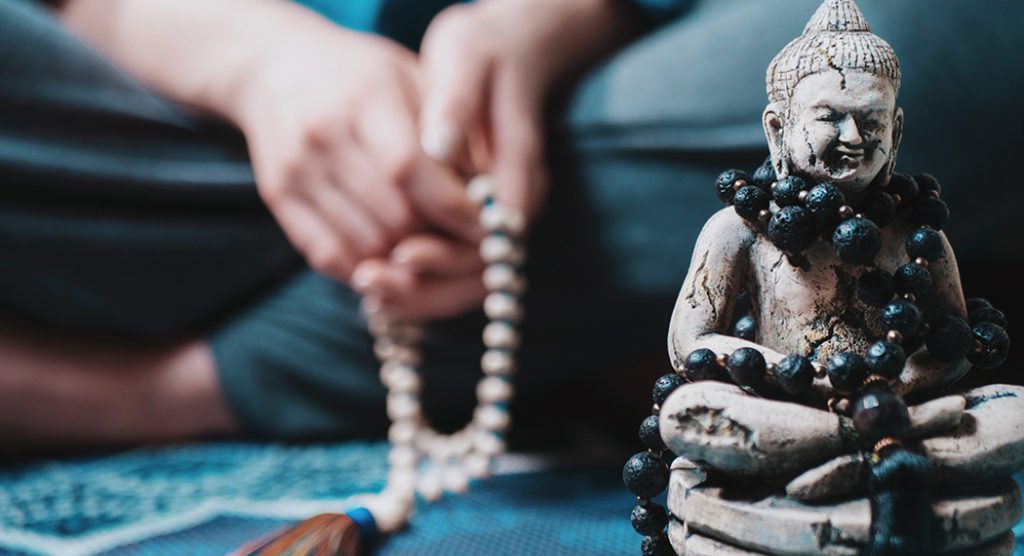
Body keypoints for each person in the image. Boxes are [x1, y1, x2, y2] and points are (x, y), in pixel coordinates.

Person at [0, 0, 1021, 450]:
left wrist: (558, 15)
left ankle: (173, 384)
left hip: (594, 106)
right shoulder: (727, 236)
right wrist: (258, 58)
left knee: (957, 41)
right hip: (150, 112)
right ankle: (517, 304)